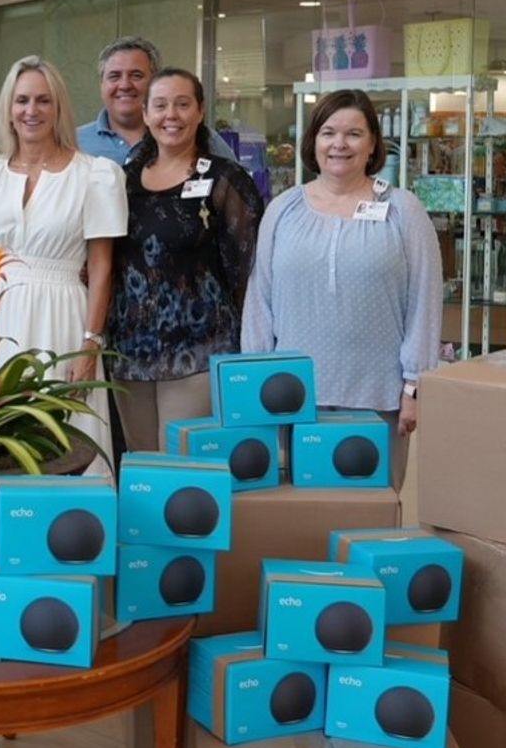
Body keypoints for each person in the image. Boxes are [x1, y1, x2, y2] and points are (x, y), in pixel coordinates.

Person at [241, 89, 440, 488]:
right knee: (304, 523)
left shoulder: (403, 210)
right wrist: (254, 384)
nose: (339, 144)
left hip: (377, 396)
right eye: (328, 132)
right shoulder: (283, 209)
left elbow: (425, 301)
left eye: (353, 134)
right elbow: (259, 300)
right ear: (312, 142)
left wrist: (415, 386)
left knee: (369, 522)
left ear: (372, 145)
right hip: (294, 398)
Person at [0, 56, 127, 470]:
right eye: (21, 101)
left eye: (43, 100)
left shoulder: (95, 175)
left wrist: (90, 345)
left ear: (59, 108)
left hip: (63, 318)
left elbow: (102, 268)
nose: (31, 111)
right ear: (8, 109)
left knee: (68, 438)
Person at [109, 69, 262, 452]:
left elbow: (249, 269)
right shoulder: (121, 181)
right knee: (141, 469)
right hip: (130, 352)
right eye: (160, 105)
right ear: (145, 114)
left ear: (200, 111)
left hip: (199, 349)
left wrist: (254, 344)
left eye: (182, 104)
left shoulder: (226, 180)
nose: (171, 115)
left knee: (183, 469)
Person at [76, 36, 236, 164]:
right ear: (101, 84)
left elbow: (240, 192)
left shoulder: (202, 139)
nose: (124, 85)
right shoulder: (73, 143)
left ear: (156, 82)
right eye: (114, 76)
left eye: (136, 75)